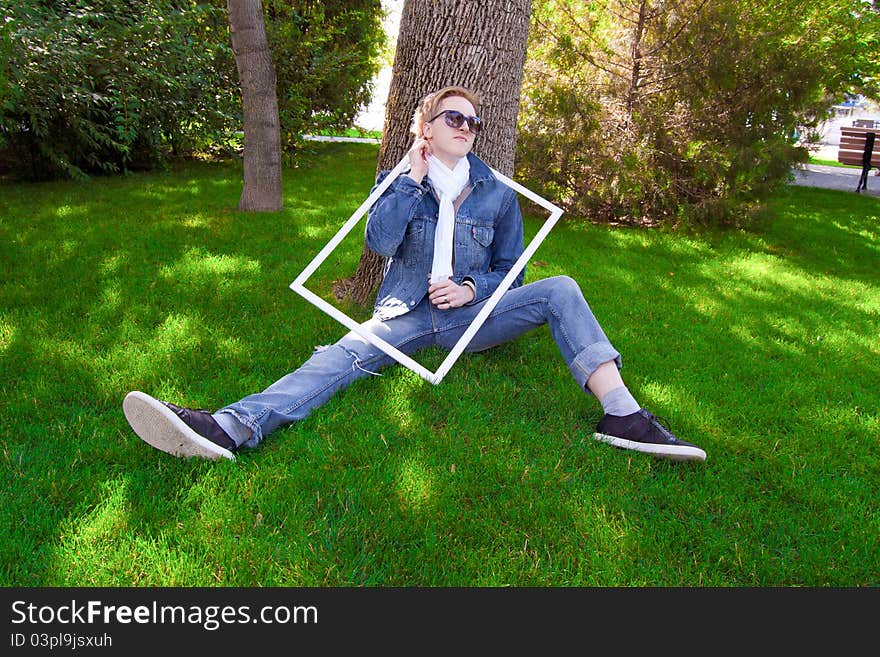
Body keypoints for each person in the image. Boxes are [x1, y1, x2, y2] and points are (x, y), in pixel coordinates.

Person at [123, 85, 706, 463]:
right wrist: (410, 176)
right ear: (425, 128)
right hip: (404, 315)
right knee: (336, 357)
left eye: (473, 122)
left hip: (468, 320)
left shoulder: (498, 196)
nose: (466, 127)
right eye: (453, 117)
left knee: (562, 289)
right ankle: (229, 428)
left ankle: (623, 415)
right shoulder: (403, 181)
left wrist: (471, 287)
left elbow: (512, 271)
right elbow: (378, 242)